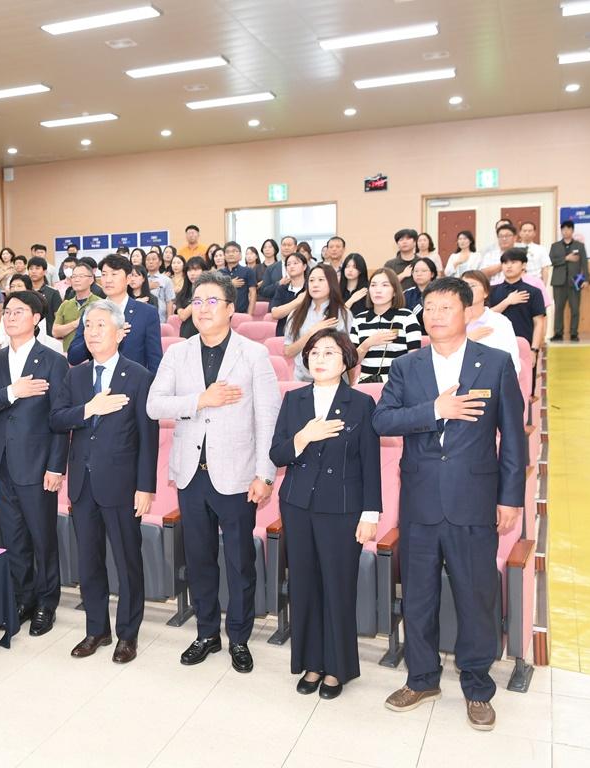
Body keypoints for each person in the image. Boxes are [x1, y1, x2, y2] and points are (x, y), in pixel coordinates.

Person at [373, 276, 525, 732]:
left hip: (474, 498)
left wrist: (510, 498)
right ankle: (421, 678)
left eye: (445, 307)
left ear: (467, 312)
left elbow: (513, 438)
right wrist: (435, 411)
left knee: (476, 595)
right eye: (429, 307)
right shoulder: (407, 365)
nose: (435, 314)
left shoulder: (495, 364)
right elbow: (382, 420)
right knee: (418, 595)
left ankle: (477, 686)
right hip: (419, 501)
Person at [148, 271, 281, 673]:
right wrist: (199, 400)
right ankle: (207, 632)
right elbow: (155, 405)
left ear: (229, 308)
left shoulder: (254, 354)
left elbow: (268, 419)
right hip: (191, 474)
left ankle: (239, 637)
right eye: (197, 301)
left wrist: (266, 474)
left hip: (239, 475)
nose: (202, 309)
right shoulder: (178, 353)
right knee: (201, 559)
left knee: (240, 562)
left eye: (211, 301)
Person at [269, 329, 381, 699]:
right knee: (303, 585)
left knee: (337, 586)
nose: (319, 359)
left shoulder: (361, 403)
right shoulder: (294, 399)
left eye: (329, 353)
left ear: (346, 360)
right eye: (314, 352)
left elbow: (370, 463)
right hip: (298, 505)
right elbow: (278, 454)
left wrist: (371, 514)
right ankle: (311, 663)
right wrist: (304, 437)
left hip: (342, 509)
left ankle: (337, 668)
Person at [49, 300, 158, 664]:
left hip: (123, 485)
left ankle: (128, 634)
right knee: (89, 561)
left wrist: (146, 487)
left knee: (128, 562)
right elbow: (57, 419)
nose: (92, 333)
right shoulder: (75, 375)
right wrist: (88, 410)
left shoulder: (138, 375)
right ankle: (96, 629)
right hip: (82, 483)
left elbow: (147, 437)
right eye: (87, 326)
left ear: (119, 331)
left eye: (99, 326)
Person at [0, 290, 70, 636]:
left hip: (38, 462)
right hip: (2, 462)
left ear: (37, 319)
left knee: (42, 537)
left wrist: (56, 467)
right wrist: (11, 393)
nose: (10, 317)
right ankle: (22, 598)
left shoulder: (53, 361)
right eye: (8, 311)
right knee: (12, 537)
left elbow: (60, 420)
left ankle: (47, 602)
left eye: (19, 311)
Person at [68, 254, 162, 373]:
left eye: (114, 274)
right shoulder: (91, 311)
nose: (108, 280)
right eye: (104, 274)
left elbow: (155, 360)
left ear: (128, 279)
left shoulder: (147, 312)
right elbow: (73, 357)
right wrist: (96, 335)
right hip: (98, 384)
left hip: (134, 385)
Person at [351, 268, 421, 384]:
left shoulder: (407, 317)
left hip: (397, 383)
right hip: (364, 383)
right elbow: (352, 361)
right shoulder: (359, 319)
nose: (378, 290)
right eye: (373, 285)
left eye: (385, 285)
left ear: (394, 291)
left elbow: (414, 358)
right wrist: (368, 343)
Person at [284, 264, 350, 382]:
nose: (315, 284)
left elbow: (349, 352)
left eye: (321, 280)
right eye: (311, 280)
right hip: (302, 380)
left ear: (331, 283)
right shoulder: (296, 314)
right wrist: (311, 333)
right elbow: (288, 352)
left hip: (335, 381)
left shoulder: (343, 314)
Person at [489, 249, 547, 364]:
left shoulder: (534, 292)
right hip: (496, 347)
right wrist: (507, 302)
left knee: (526, 381)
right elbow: (486, 316)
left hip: (525, 347)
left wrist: (534, 350)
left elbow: (539, 322)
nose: (508, 266)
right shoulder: (492, 291)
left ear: (524, 265)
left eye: (513, 262)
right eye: (505, 263)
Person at [461, 271, 521, 374]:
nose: (467, 290)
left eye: (472, 285)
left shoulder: (500, 322)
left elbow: (512, 362)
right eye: (463, 286)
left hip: (490, 384)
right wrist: (467, 341)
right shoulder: (450, 321)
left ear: (486, 292)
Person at [549, 220, 590, 342]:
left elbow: (584, 264)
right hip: (558, 281)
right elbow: (551, 261)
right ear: (561, 231)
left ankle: (574, 333)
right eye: (563, 229)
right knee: (558, 309)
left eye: (568, 229)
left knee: (575, 308)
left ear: (572, 231)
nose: (566, 231)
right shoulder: (555, 246)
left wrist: (587, 279)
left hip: (576, 281)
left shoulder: (579, 246)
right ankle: (558, 333)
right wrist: (566, 258)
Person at [52, 261, 100, 351]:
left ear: (91, 279)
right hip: (68, 357)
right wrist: (76, 324)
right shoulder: (65, 304)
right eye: (74, 277)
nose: (76, 280)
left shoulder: (100, 303)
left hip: (93, 356)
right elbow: (55, 332)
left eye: (81, 276)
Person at [271, 252, 308, 337]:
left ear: (304, 266)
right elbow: (275, 314)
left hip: (306, 335)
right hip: (284, 334)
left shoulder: (310, 289)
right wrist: (298, 301)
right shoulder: (282, 289)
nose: (291, 266)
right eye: (288, 264)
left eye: (295, 263)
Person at [27, 256, 64, 337]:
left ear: (44, 271)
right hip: (27, 335)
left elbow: (58, 317)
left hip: (48, 336)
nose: (33, 271)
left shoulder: (53, 292)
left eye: (37, 268)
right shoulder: (25, 292)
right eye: (31, 268)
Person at [172, 257, 206, 339]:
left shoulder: (211, 292)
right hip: (187, 334)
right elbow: (183, 316)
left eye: (196, 269)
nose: (192, 273)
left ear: (204, 271)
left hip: (205, 333)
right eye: (189, 270)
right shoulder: (182, 294)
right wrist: (198, 300)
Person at [220, 241, 258, 315]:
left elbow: (253, 293)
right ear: (224, 256)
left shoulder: (248, 271)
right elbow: (215, 290)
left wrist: (249, 315)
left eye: (234, 251)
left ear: (240, 255)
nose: (231, 254)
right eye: (227, 252)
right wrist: (230, 283)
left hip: (242, 313)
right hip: (222, 313)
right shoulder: (219, 273)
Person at [403, 257, 440, 330]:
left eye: (423, 271)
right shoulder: (406, 294)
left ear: (432, 274)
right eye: (416, 271)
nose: (419, 274)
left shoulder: (440, 293)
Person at [144, 249, 176, 322]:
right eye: (148, 260)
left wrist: (169, 321)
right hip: (144, 318)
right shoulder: (141, 279)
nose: (150, 262)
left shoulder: (166, 280)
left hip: (161, 319)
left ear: (160, 262)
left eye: (154, 259)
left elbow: (169, 301)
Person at [256, 238, 284, 305]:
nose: (267, 249)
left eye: (270, 247)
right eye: (265, 247)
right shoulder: (256, 268)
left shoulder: (281, 266)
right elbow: (251, 287)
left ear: (275, 249)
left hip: (277, 301)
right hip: (260, 302)